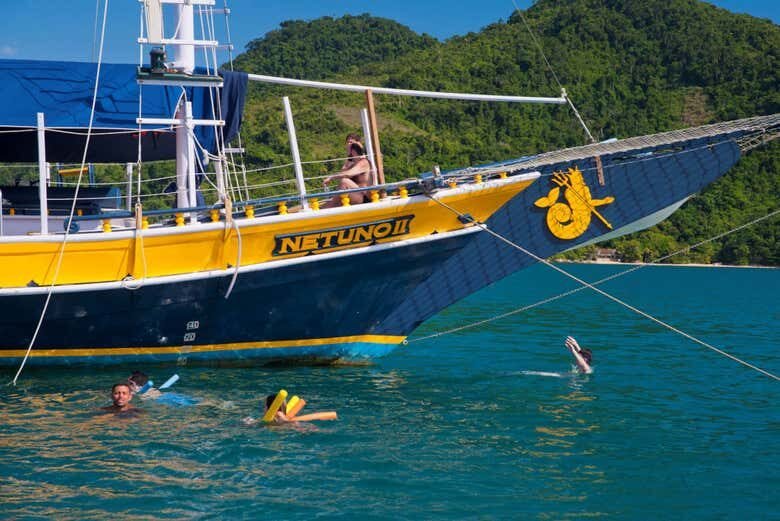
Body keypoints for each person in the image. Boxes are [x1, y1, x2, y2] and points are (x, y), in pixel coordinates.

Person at [322, 133, 372, 207]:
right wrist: (349, 157)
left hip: (364, 198)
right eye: (347, 143)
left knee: (344, 182)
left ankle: (328, 207)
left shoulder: (363, 162)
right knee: (343, 183)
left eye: (351, 142)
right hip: (355, 195)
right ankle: (328, 205)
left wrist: (331, 177)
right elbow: (343, 172)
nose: (349, 145)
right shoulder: (352, 163)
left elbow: (348, 174)